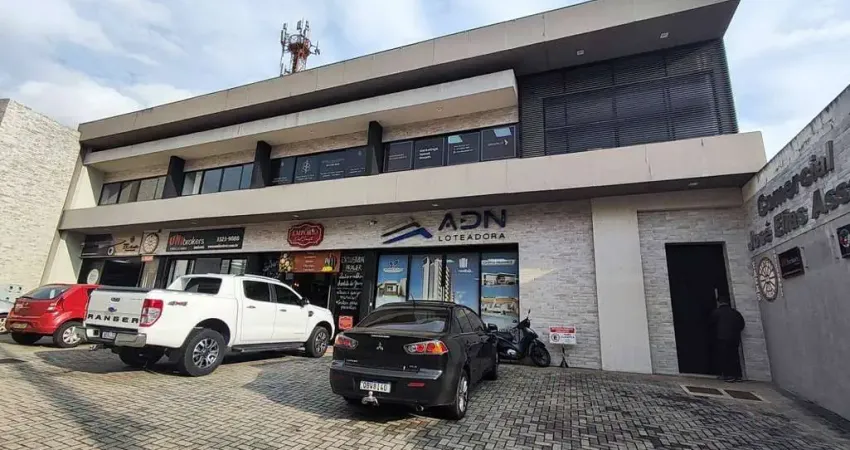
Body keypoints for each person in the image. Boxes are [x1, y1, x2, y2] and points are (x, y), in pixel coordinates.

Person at [710, 296, 745, 382]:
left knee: (724, 357)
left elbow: (711, 324)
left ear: (719, 302)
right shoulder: (735, 313)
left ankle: (727, 375)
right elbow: (741, 324)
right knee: (735, 356)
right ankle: (738, 375)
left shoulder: (717, 312)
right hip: (734, 338)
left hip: (722, 338)